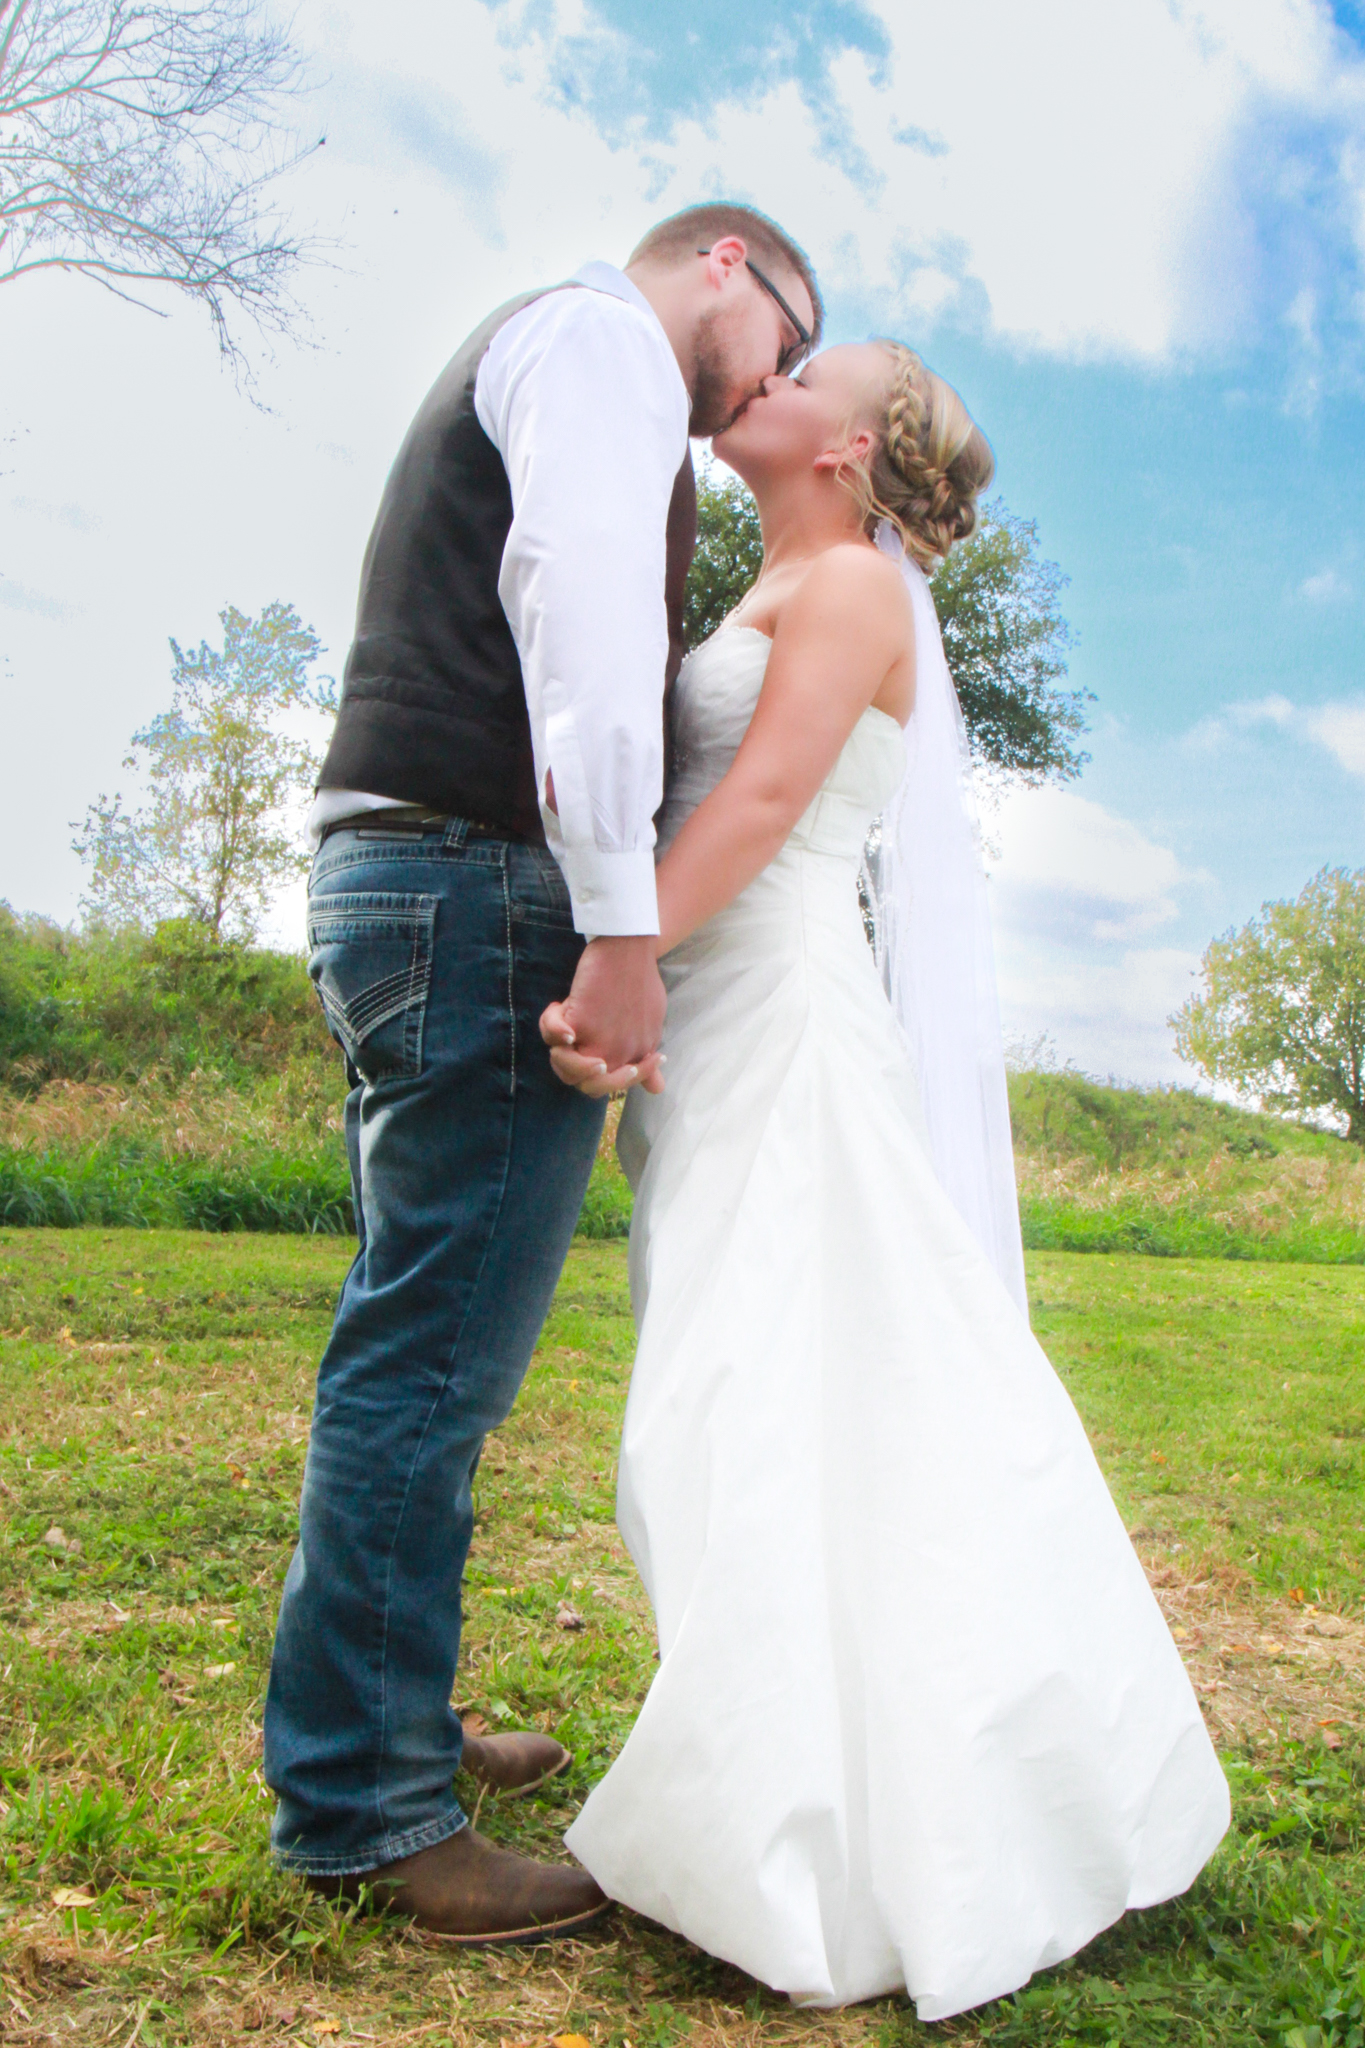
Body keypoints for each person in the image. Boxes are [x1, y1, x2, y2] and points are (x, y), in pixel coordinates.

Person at [548, 342, 1231, 2017]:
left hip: (778, 1008)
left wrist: (615, 962)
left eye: (798, 374)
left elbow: (773, 794)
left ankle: (838, 1822)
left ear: (847, 445)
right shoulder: (776, 570)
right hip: (726, 1011)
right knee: (747, 1377)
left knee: (764, 1378)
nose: (757, 380)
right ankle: (799, 1776)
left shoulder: (850, 581)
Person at [261, 205, 822, 1943]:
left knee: (411, 1336)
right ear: (724, 258)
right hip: (476, 878)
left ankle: (388, 1723)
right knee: (428, 1370)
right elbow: (576, 626)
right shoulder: (600, 347)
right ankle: (371, 1812)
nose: (777, 384)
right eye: (787, 340)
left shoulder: (566, 352)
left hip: (417, 873)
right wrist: (622, 926)